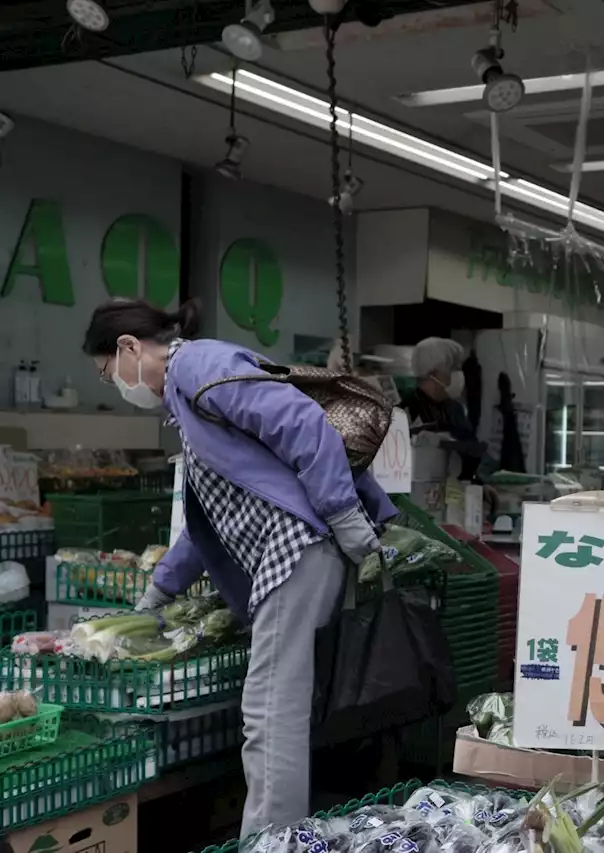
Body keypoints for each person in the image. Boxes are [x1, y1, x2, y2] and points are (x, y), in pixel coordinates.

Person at [81, 298, 395, 839]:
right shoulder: (185, 395)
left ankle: (271, 840)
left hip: (295, 549)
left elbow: (302, 422)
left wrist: (343, 512)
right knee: (275, 708)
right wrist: (160, 589)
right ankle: (277, 836)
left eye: (109, 373)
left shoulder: (199, 365)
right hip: (289, 555)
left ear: (129, 348)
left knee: (271, 713)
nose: (116, 385)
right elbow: (210, 516)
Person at [400, 337, 486, 482]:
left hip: (456, 494)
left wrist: (479, 485)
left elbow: (472, 453)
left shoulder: (455, 410)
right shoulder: (406, 409)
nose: (459, 375)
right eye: (452, 369)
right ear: (432, 374)